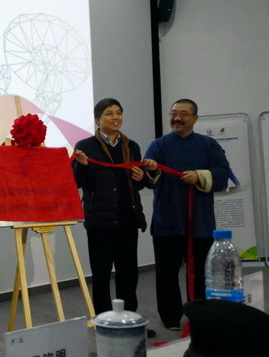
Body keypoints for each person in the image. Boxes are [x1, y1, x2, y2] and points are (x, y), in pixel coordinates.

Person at [144, 99, 230, 330]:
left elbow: (222, 173)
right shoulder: (158, 145)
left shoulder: (209, 145)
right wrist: (151, 170)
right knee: (166, 273)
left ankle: (200, 313)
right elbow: (148, 180)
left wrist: (200, 176)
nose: (177, 118)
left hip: (200, 221)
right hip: (167, 220)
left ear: (195, 118)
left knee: (202, 272)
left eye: (183, 114)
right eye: (173, 113)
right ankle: (170, 317)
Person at [72, 98, 157, 323]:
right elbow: (76, 182)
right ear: (97, 119)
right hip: (99, 221)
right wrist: (82, 165)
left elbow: (139, 184)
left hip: (128, 218)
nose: (115, 117)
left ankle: (129, 320)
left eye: (119, 112)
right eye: (109, 113)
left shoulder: (131, 146)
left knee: (128, 273)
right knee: (101, 275)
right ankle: (103, 321)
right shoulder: (85, 146)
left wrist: (142, 177)